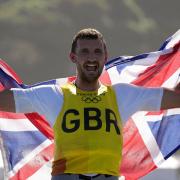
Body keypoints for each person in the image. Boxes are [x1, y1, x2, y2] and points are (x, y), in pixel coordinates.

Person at [0, 28, 180, 180]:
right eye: (84, 52)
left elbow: (176, 98)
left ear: (105, 56)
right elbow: (6, 100)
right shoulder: (54, 95)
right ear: (73, 57)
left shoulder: (122, 95)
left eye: (97, 52)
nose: (91, 58)